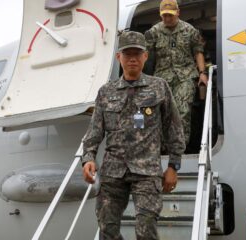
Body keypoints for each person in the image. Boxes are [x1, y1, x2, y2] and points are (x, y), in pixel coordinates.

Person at [81, 31, 185, 240]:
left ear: (145, 56)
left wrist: (173, 165)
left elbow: (173, 127)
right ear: (118, 57)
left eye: (137, 54)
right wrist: (88, 158)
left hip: (147, 171)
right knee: (107, 229)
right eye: (127, 54)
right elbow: (95, 130)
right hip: (113, 171)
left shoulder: (159, 87)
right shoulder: (106, 92)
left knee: (145, 229)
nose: (132, 59)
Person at [145, 0, 208, 144]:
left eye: (170, 15)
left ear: (178, 13)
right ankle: (163, 148)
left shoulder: (189, 30)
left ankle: (180, 147)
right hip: (162, 78)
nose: (167, 19)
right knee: (162, 113)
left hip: (185, 75)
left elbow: (198, 52)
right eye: (164, 15)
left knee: (182, 111)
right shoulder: (154, 32)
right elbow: (144, 55)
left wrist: (202, 73)